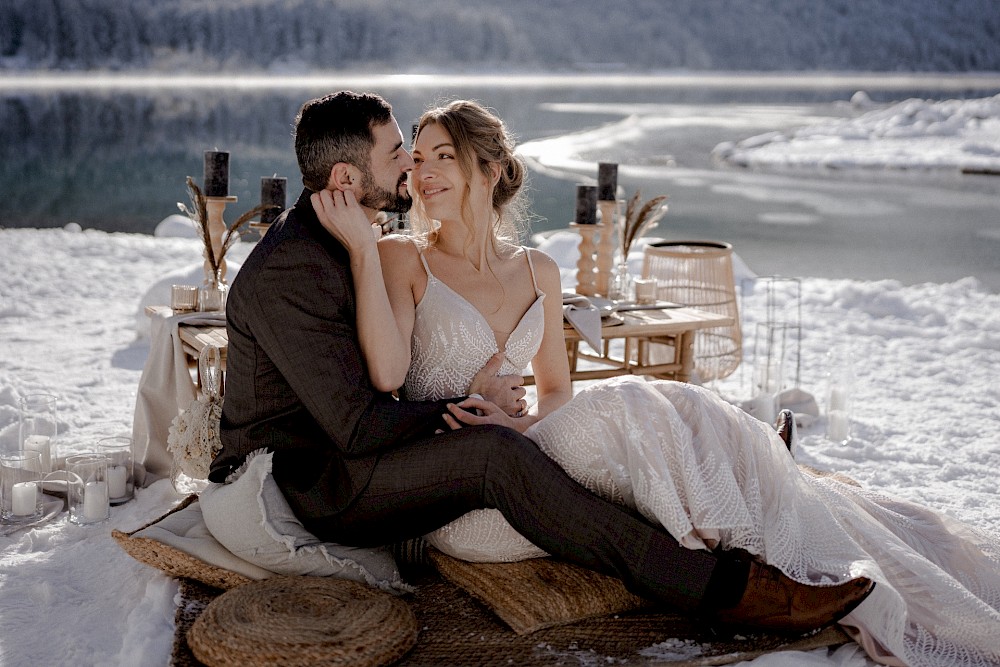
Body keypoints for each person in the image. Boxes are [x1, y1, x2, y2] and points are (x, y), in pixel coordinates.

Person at [313, 98, 1000, 667]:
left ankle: (752, 493)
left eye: (442, 156)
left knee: (658, 401)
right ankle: (740, 514)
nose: (423, 173)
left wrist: (514, 425)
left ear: (488, 170)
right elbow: (386, 376)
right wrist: (363, 255)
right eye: (419, 157)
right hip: (472, 504)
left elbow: (556, 390)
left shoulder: (538, 272)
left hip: (532, 449)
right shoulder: (401, 257)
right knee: (638, 400)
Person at [210, 90, 874, 636]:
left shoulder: (347, 236)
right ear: (347, 180)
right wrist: (461, 408)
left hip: (357, 455)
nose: (411, 163)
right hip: (316, 484)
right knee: (496, 453)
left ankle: (738, 524)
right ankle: (718, 588)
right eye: (397, 153)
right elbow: (355, 422)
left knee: (607, 417)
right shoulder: (295, 266)